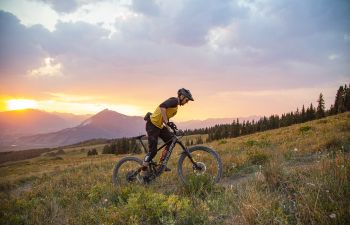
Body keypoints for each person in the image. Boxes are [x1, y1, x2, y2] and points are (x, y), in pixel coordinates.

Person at [141, 88, 194, 179]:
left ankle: (161, 164)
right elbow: (162, 106)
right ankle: (143, 171)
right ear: (181, 96)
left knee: (170, 141)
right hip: (152, 125)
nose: (187, 102)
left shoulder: (176, 107)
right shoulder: (174, 101)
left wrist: (170, 127)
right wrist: (167, 122)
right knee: (153, 151)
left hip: (160, 126)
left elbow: (165, 117)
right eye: (187, 99)